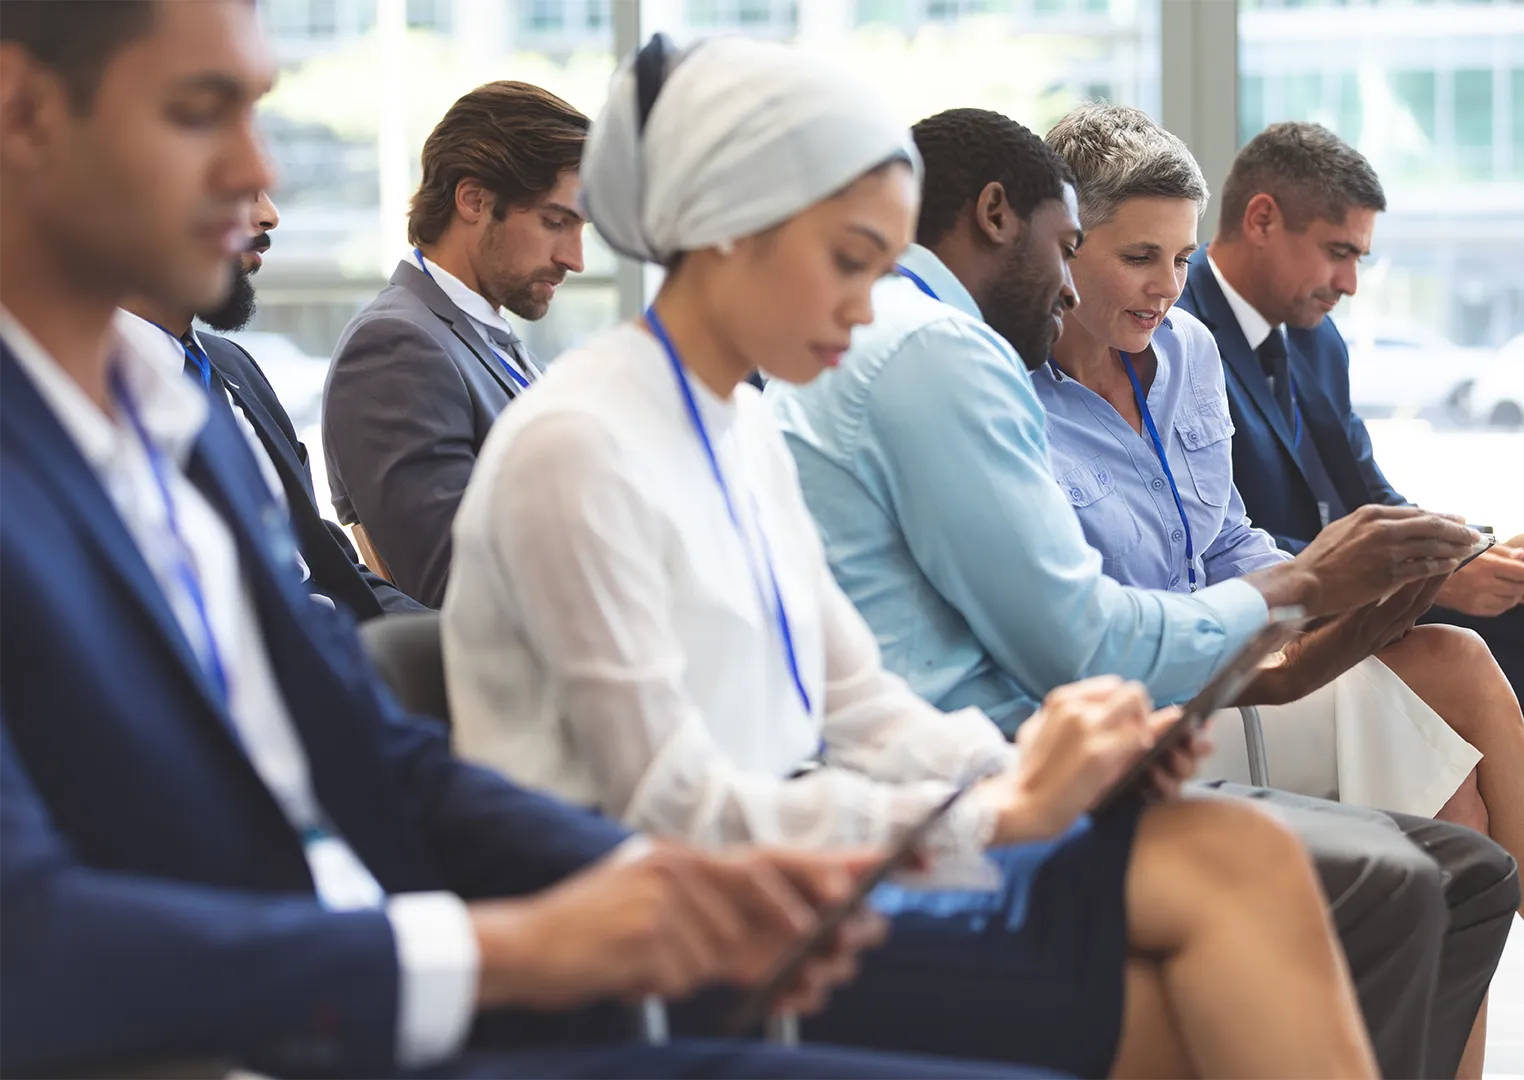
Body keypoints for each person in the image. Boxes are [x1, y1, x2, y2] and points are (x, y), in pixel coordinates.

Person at [0, 6, 1070, 1080]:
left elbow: (374, 751)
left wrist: (663, 890)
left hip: (415, 989)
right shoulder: (552, 420)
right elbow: (31, 938)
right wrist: (499, 950)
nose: (258, 171)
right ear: (25, 112)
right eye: (199, 112)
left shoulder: (179, 424)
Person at [446, 34, 1382, 1080]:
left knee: (1236, 860)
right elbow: (669, 812)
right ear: (729, 234)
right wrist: (1002, 809)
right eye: (852, 260)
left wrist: (1057, 774)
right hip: (672, 943)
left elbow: (860, 701)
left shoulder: (742, 430)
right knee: (1185, 994)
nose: (869, 303)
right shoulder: (580, 446)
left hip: (791, 878)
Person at [765, 106, 1520, 1080]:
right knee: (1404, 877)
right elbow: (1075, 644)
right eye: (1073, 247)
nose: (1156, 287)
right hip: (1030, 750)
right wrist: (1303, 581)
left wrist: (1345, 596)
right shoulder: (947, 355)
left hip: (1081, 730)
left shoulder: (933, 347)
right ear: (1003, 217)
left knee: (1462, 868)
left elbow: (926, 668)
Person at [1044, 100, 1524, 1079]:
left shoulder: (1180, 356)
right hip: (1162, 684)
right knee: (1457, 684)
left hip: (1268, 633)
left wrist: (1435, 557)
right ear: (1062, 247)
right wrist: (1321, 587)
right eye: (1141, 259)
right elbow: (1107, 618)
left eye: (1179, 261)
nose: (1166, 290)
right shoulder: (1021, 392)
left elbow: (1234, 534)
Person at [323, 80, 587, 607]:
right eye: (555, 222)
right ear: (473, 199)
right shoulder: (396, 347)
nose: (575, 258)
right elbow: (458, 585)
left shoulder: (488, 338)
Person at [125, 186, 424, 620]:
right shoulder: (82, 394)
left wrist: (447, 641)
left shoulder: (234, 368)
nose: (270, 215)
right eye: (238, 190)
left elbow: (325, 562)